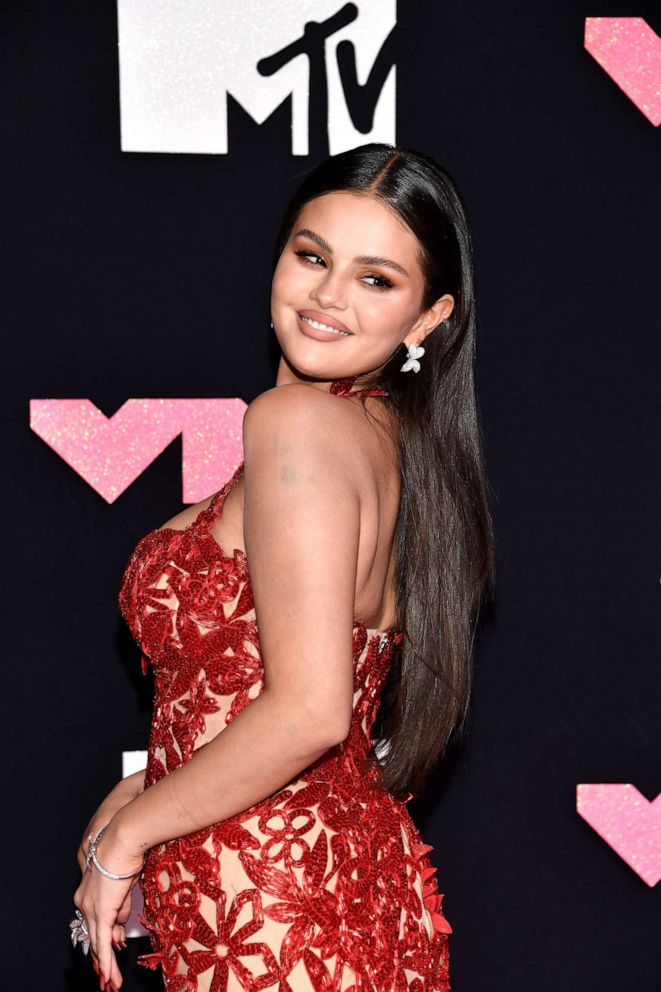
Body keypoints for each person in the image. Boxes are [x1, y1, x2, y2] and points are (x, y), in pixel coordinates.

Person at [71, 142, 495, 992]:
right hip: (343, 881)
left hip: (266, 903)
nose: (328, 296)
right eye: (311, 257)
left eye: (376, 279)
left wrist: (124, 845)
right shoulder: (393, 447)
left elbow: (308, 710)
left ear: (427, 317)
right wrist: (141, 800)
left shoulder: (295, 422)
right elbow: (245, 688)